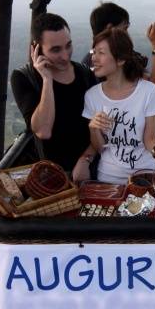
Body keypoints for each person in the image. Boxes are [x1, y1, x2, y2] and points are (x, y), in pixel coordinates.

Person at [83, 27, 155, 185]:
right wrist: (93, 127)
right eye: (94, 52)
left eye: (101, 53)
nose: (94, 58)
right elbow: (100, 148)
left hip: (144, 176)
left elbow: (150, 139)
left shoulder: (147, 91)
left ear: (120, 60)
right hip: (108, 177)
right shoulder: (92, 96)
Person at [10, 13, 97, 182]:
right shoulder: (24, 78)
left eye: (68, 46)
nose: (65, 56)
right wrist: (47, 80)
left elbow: (100, 126)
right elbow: (43, 130)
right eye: (56, 50)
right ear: (37, 49)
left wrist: (86, 159)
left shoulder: (85, 74)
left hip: (88, 169)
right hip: (50, 178)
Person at [81, 2, 155, 95]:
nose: (127, 34)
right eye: (125, 29)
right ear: (110, 28)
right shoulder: (118, 59)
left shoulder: (87, 63)